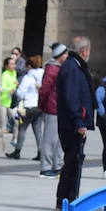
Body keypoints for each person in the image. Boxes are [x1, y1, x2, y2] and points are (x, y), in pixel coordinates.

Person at [54, 35, 95, 211]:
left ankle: (69, 197)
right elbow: (72, 98)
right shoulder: (72, 68)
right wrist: (79, 121)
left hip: (74, 122)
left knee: (74, 161)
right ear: (84, 51)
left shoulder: (75, 66)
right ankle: (67, 198)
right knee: (72, 161)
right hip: (71, 125)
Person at [37, 43, 67, 177]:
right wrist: (42, 105)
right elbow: (44, 90)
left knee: (60, 140)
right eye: (65, 53)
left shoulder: (61, 68)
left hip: (60, 109)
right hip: (52, 108)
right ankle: (45, 167)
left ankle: (57, 165)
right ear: (61, 55)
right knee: (49, 139)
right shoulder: (52, 69)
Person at [8, 55, 44, 160]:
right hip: (39, 105)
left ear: (29, 66)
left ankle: (17, 151)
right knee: (38, 130)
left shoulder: (28, 77)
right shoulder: (43, 74)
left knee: (22, 128)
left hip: (27, 106)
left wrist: (17, 91)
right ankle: (40, 152)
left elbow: (20, 93)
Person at [0, 54, 20, 153]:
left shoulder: (14, 73)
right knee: (2, 124)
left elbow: (14, 83)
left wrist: (17, 85)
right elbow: (2, 87)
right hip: (4, 102)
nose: (13, 66)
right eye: (11, 64)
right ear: (6, 66)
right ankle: (0, 142)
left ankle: (14, 139)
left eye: (14, 64)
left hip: (13, 103)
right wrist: (9, 90)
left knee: (17, 121)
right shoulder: (4, 74)